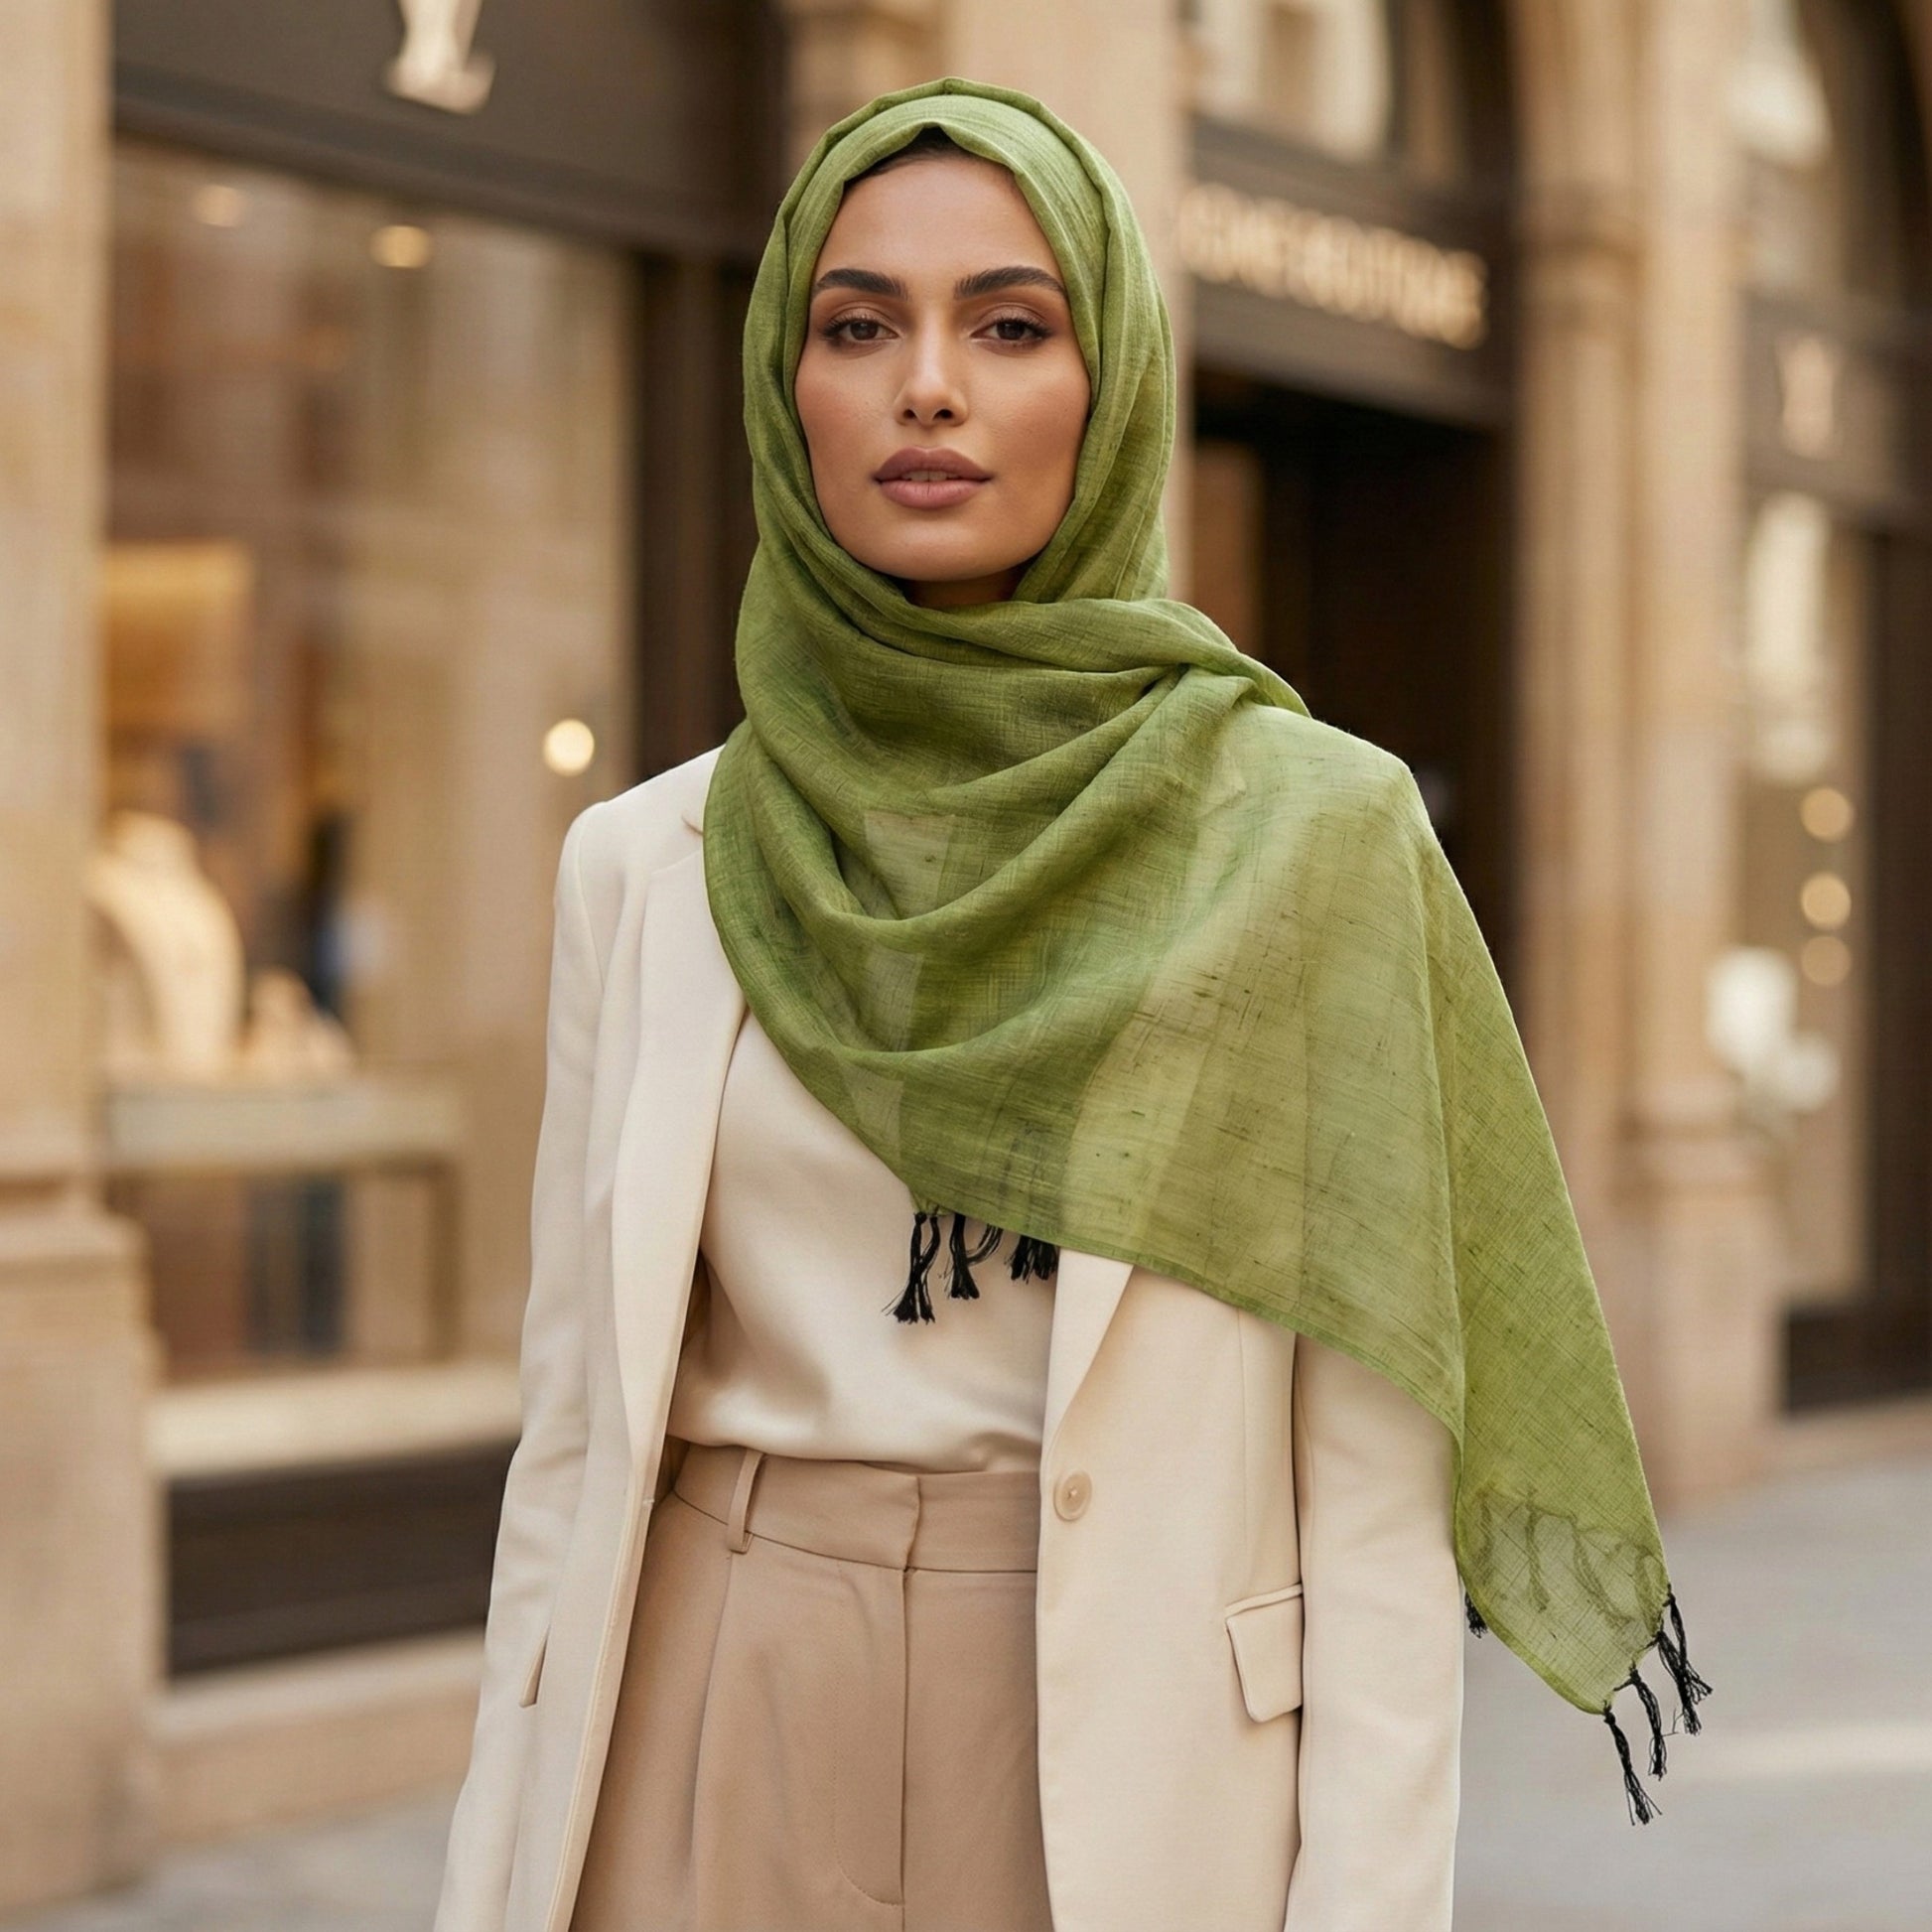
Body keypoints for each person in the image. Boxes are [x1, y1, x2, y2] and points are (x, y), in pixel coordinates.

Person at [433, 77, 1708, 1932]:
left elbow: (1366, 1490)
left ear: (1109, 388)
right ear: (786, 395)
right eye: (857, 326)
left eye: (1009, 325)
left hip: (1126, 1737)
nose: (925, 386)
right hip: (706, 1686)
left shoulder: (1302, 838)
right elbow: (569, 1436)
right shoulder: (647, 861)